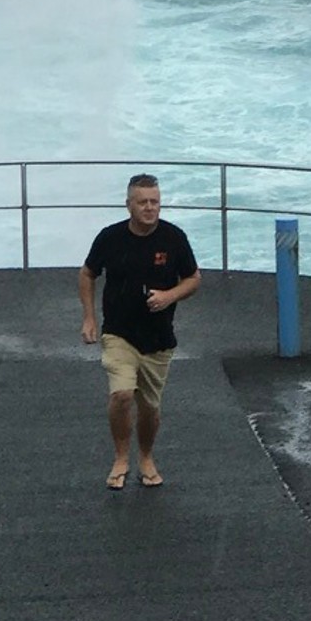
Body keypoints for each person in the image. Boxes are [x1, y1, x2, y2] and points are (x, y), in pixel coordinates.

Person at [79, 173, 201, 490]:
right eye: (143, 202)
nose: (150, 208)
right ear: (129, 205)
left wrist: (168, 296)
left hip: (158, 338)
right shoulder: (110, 237)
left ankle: (145, 457)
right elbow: (88, 273)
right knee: (121, 395)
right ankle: (121, 458)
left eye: (155, 202)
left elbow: (193, 279)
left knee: (149, 407)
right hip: (119, 333)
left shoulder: (174, 238)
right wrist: (89, 318)